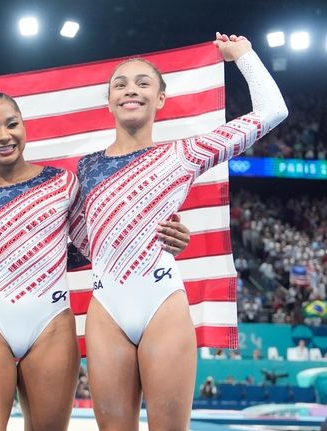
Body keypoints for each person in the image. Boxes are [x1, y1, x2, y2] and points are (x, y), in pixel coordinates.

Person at [0, 91, 191, 430]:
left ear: (24, 126)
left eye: (12, 124)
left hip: (51, 325)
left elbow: (98, 243)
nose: (4, 136)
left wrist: (166, 238)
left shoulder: (63, 183)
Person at [74, 33, 287, 430]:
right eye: (119, 84)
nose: (130, 90)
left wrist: (242, 54)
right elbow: (80, 242)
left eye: (143, 83)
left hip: (161, 304)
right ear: (108, 101)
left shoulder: (184, 154)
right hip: (106, 310)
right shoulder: (85, 168)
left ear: (161, 99)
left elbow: (273, 110)